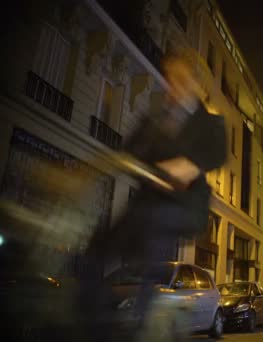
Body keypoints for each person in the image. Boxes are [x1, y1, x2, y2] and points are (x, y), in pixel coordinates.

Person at [77, 49, 226, 342]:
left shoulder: (210, 123)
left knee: (155, 234)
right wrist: (83, 173)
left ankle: (141, 325)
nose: (175, 84)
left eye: (182, 78)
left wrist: (191, 165)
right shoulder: (155, 119)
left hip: (182, 206)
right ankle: (94, 327)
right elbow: (126, 153)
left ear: (196, 84)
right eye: (171, 77)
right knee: (97, 245)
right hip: (145, 204)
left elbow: (216, 151)